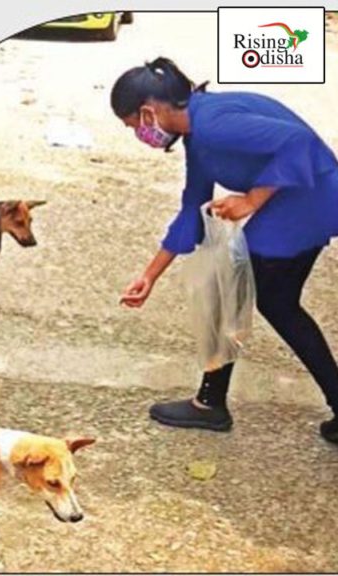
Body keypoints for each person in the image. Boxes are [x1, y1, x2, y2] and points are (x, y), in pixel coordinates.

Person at [111, 57, 338, 443]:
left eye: (134, 125)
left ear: (149, 112)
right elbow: (192, 210)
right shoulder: (198, 136)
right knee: (260, 296)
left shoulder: (213, 124)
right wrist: (150, 275)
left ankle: (211, 404)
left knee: (251, 294)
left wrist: (252, 199)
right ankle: (212, 402)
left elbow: (299, 143)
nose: (140, 134)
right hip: (302, 199)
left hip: (306, 200)